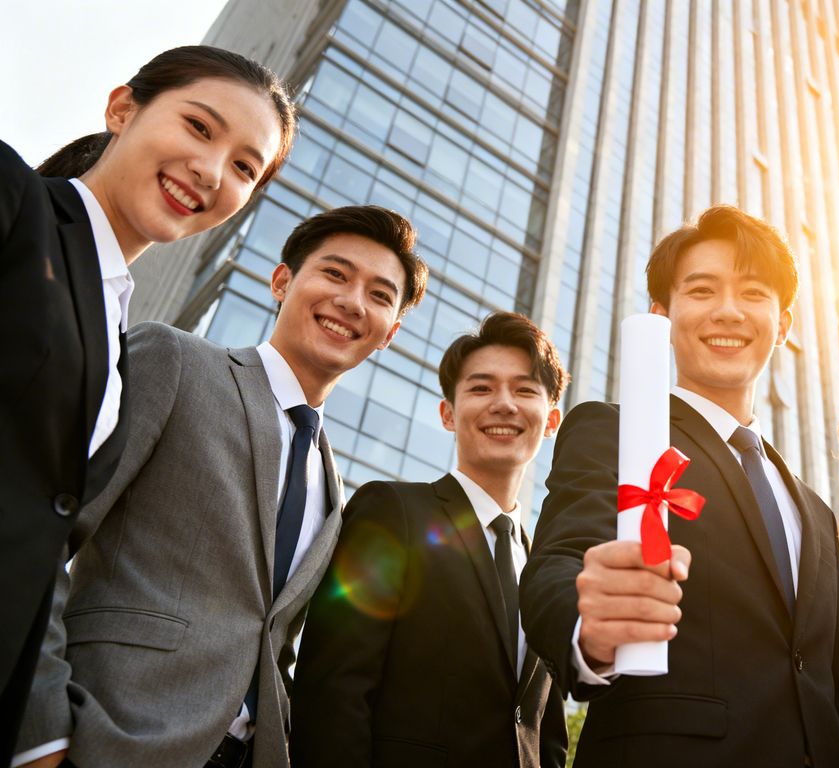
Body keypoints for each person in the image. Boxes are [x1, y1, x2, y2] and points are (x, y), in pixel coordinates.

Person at [13, 206, 427, 768]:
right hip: (107, 736)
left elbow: (269, 638)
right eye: (335, 274)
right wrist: (41, 731)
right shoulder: (175, 361)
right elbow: (37, 534)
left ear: (390, 334)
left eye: (380, 296)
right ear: (282, 280)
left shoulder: (332, 484)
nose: (354, 302)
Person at [0, 44, 297, 762]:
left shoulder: (121, 339)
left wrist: (39, 740)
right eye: (199, 127)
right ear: (122, 108)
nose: (211, 171)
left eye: (243, 168)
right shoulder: (13, 200)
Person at [520, 205, 839, 766]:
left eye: (753, 294)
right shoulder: (614, 431)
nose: (728, 312)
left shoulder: (817, 512)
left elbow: (838, 687)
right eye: (702, 291)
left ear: (783, 324)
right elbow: (559, 563)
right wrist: (592, 625)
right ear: (661, 316)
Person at [290, 311, 569, 768]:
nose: (504, 404)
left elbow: (545, 731)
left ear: (552, 419)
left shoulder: (545, 566)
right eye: (481, 388)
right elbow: (333, 685)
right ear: (447, 414)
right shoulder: (392, 512)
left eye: (524, 389)